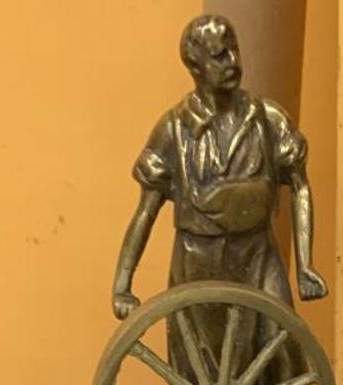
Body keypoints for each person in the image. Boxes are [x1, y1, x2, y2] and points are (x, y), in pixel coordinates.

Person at [111, 13, 327, 359]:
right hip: (199, 264)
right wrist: (123, 285)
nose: (232, 62)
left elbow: (300, 187)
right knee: (208, 366)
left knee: (281, 347)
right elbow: (146, 212)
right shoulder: (173, 131)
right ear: (195, 67)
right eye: (219, 56)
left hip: (259, 255)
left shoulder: (268, 121)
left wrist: (304, 265)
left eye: (234, 50)